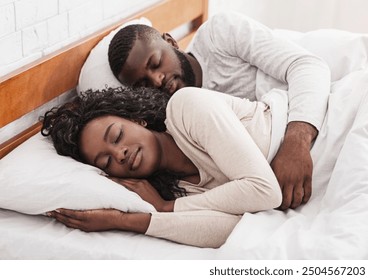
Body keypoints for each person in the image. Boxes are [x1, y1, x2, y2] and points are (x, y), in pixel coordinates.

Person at [106, 12, 331, 210]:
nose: (157, 80)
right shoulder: (173, 122)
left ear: (171, 42)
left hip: (311, 115)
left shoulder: (218, 35)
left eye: (156, 63)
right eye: (143, 84)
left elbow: (306, 66)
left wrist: (296, 143)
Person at [42, 86, 286, 248]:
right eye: (107, 161)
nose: (120, 154)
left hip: (317, 143)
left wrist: (167, 208)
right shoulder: (176, 190)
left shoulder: (186, 107)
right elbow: (233, 231)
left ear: (137, 119)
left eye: (117, 135)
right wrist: (126, 220)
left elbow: (264, 191)